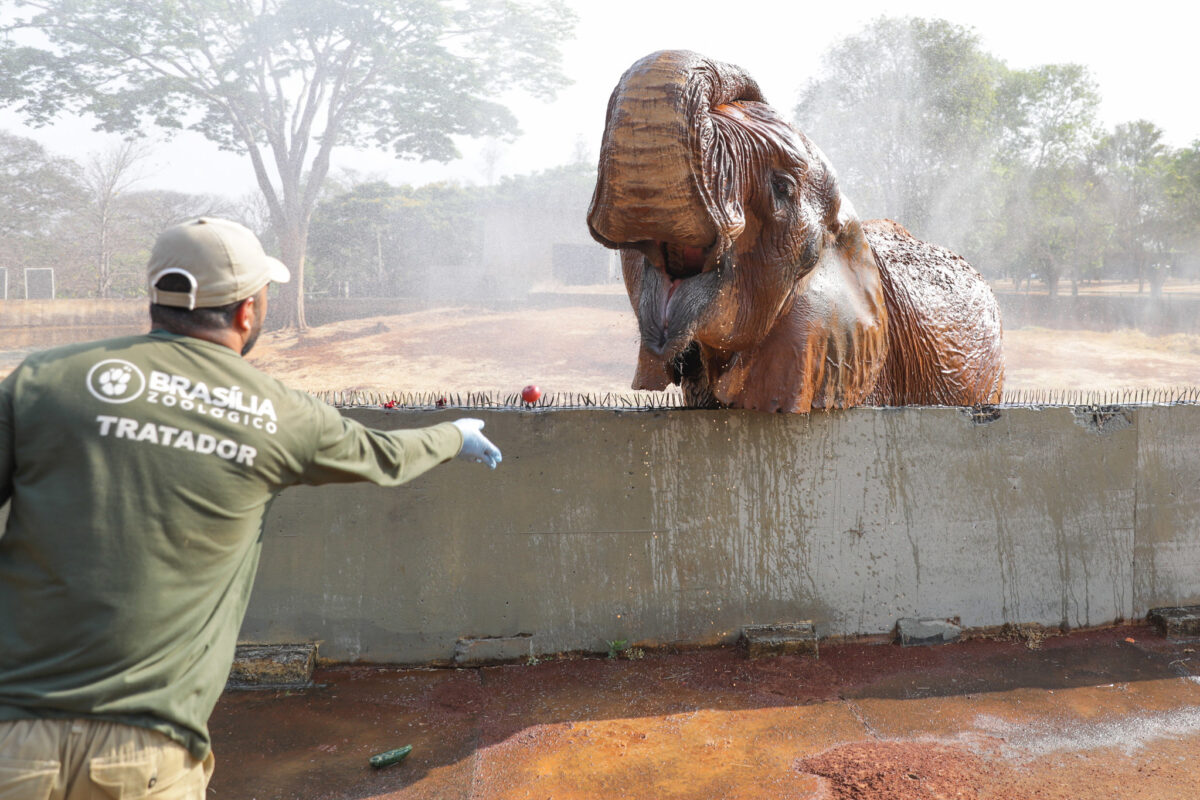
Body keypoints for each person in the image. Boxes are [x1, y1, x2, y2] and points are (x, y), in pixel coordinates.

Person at [0, 217, 502, 799]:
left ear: (157, 300)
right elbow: (385, 454)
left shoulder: (44, 381)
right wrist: (453, 434)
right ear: (247, 311)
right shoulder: (278, 415)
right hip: (145, 758)